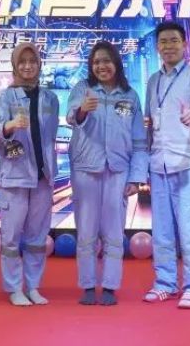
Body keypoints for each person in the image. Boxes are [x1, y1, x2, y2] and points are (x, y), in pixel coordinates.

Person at [66, 41, 148, 305]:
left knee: (114, 232)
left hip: (118, 170)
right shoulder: (83, 88)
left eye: (106, 61)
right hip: (85, 169)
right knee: (86, 230)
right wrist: (82, 109)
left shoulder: (130, 95)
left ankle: (111, 286)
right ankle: (88, 285)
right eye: (96, 62)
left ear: (116, 63)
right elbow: (71, 118)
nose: (101, 66)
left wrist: (136, 177)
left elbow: (139, 140)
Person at [143, 22, 190, 310]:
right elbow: (150, 121)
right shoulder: (153, 81)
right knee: (162, 230)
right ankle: (165, 283)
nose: (168, 46)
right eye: (163, 41)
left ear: (184, 44)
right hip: (159, 163)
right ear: (158, 46)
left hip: (188, 162)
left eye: (173, 40)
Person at [0, 43, 59, 306]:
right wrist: (9, 126)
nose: (28, 66)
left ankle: (33, 286)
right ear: (15, 65)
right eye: (22, 61)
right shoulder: (5, 97)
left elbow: (51, 135)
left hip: (43, 176)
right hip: (14, 175)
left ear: (40, 64)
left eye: (32, 61)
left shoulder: (50, 98)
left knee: (37, 237)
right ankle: (13, 287)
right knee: (11, 237)